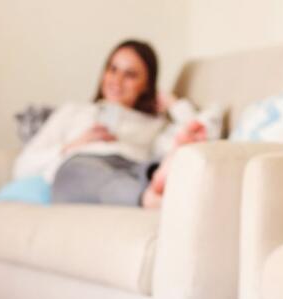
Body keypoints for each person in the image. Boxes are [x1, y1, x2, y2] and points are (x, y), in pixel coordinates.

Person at [13, 39, 207, 209]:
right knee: (82, 171)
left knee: (151, 166)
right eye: (112, 69)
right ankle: (147, 197)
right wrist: (73, 145)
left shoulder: (153, 123)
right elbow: (22, 167)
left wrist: (174, 104)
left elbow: (199, 134)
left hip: (132, 166)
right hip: (80, 167)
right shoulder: (74, 112)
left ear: (147, 85)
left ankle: (156, 179)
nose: (117, 80)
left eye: (130, 75)